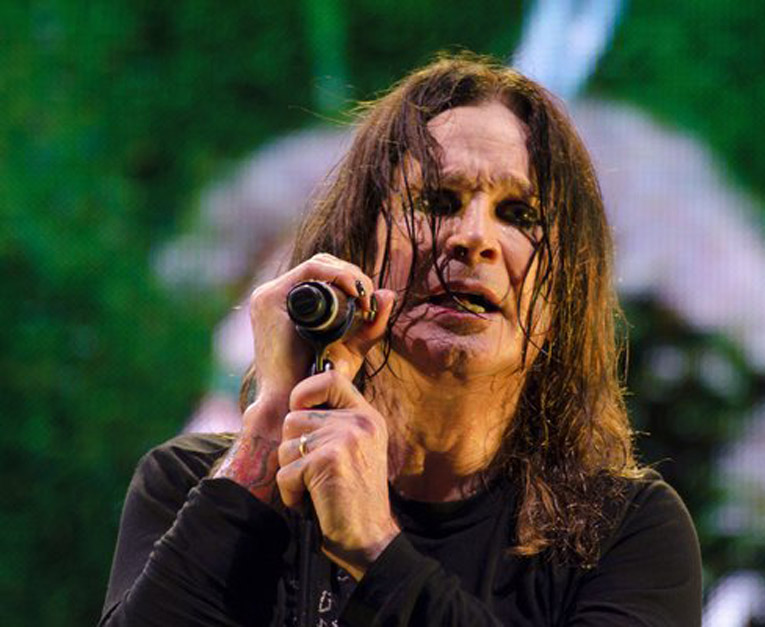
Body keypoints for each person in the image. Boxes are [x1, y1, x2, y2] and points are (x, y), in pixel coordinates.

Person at [100, 53, 702, 626]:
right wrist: (267, 431)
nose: (474, 238)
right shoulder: (191, 487)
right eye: (436, 202)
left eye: (519, 215)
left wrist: (375, 549)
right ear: (356, 250)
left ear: (566, 292)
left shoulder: (625, 534)